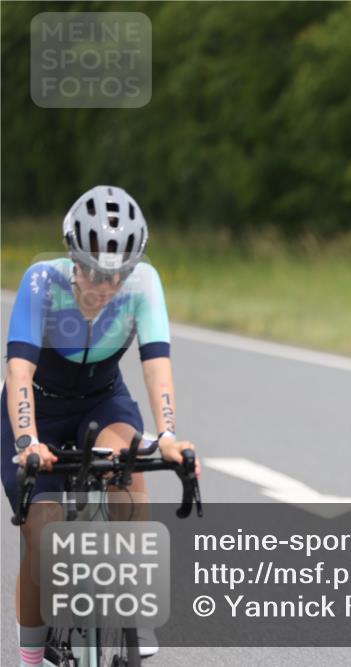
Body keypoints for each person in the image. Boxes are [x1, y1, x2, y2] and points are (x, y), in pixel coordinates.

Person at [1, 185, 199, 665]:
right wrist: (28, 441)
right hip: (39, 408)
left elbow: (156, 364)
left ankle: (130, 604)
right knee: (41, 530)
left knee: (127, 473)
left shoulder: (145, 285)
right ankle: (31, 653)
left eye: (118, 274)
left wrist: (168, 433)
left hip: (102, 401)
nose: (105, 285)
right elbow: (19, 371)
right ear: (73, 257)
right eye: (93, 271)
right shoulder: (40, 281)